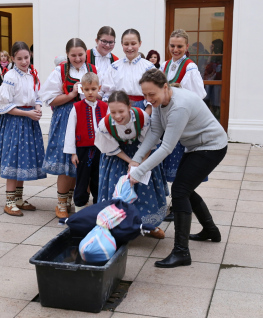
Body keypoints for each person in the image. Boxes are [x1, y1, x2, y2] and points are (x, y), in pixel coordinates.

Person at [129, 69, 227, 268]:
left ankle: (181, 252)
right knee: (185, 189)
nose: (148, 99)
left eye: (152, 94)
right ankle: (210, 230)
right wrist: (136, 159)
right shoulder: (159, 102)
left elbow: (166, 147)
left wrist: (139, 172)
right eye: (145, 95)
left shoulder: (179, 106)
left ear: (165, 87)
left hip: (212, 146)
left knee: (180, 191)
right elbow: (155, 132)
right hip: (196, 146)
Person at [95, 90, 168, 234]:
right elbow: (111, 148)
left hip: (142, 154)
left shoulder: (142, 117)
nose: (117, 116)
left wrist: (141, 163)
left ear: (129, 106)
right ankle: (117, 228)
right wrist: (131, 162)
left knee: (145, 190)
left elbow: (149, 142)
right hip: (118, 157)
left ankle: (148, 226)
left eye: (121, 111)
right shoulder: (105, 124)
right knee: (118, 191)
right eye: (113, 112)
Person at [40, 38, 97, 218]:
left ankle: (76, 201)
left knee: (83, 161)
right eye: (73, 55)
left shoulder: (93, 70)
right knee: (66, 161)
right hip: (65, 117)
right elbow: (49, 99)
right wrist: (71, 95)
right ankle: (61, 204)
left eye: (80, 54)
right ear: (67, 55)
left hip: (88, 117)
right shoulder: (60, 71)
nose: (78, 58)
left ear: (85, 53)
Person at [0, 41, 46, 217]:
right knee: (14, 160)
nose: (24, 61)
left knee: (23, 160)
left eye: (26, 58)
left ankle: (19, 199)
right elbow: (5, 106)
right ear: (13, 58)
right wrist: (27, 114)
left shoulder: (32, 75)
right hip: (15, 122)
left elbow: (37, 96)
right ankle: (9, 202)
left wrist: (37, 107)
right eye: (20, 58)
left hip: (29, 122)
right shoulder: (10, 77)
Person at [160, 29, 207, 221]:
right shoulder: (165, 65)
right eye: (172, 46)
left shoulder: (190, 68)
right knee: (168, 164)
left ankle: (178, 206)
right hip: (167, 120)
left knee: (181, 168)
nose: (175, 49)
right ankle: (175, 204)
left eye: (179, 46)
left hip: (182, 121)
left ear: (187, 47)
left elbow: (198, 96)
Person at [64, 72, 108, 212]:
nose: (90, 92)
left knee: (98, 178)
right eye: (87, 89)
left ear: (99, 88)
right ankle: (80, 208)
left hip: (100, 149)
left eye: (93, 89)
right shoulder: (76, 107)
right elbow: (70, 130)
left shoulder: (104, 106)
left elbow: (109, 128)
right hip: (83, 150)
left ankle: (97, 207)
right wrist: (72, 153)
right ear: (82, 89)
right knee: (82, 179)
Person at [101, 29, 155, 115]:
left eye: (133, 44)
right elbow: (108, 94)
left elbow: (154, 95)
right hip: (119, 110)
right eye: (126, 44)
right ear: (122, 44)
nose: (130, 48)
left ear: (140, 43)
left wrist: (145, 116)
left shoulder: (149, 68)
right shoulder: (114, 67)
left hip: (142, 110)